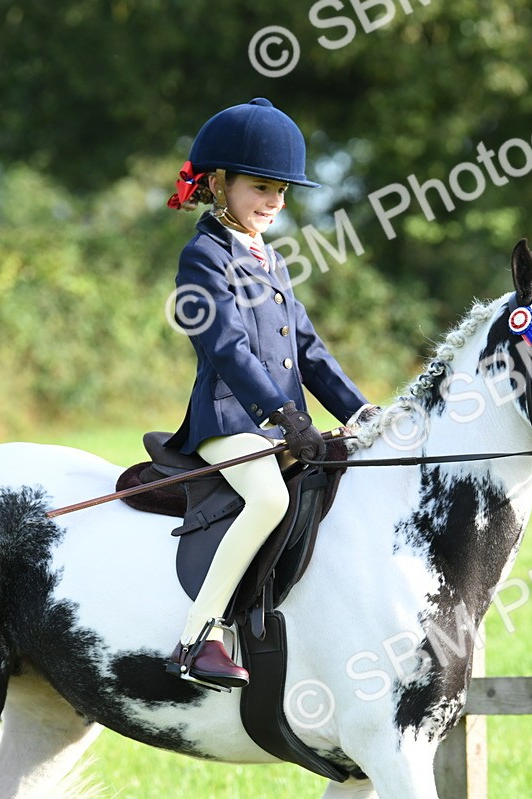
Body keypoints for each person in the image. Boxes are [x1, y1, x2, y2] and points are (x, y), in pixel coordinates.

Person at [162, 97, 377, 689]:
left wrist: (360, 409)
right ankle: (197, 637)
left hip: (278, 422)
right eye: (261, 188)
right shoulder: (203, 256)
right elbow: (226, 349)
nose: (275, 203)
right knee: (269, 500)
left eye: (282, 192)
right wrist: (283, 414)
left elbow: (307, 348)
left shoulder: (271, 259)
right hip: (229, 422)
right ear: (219, 182)